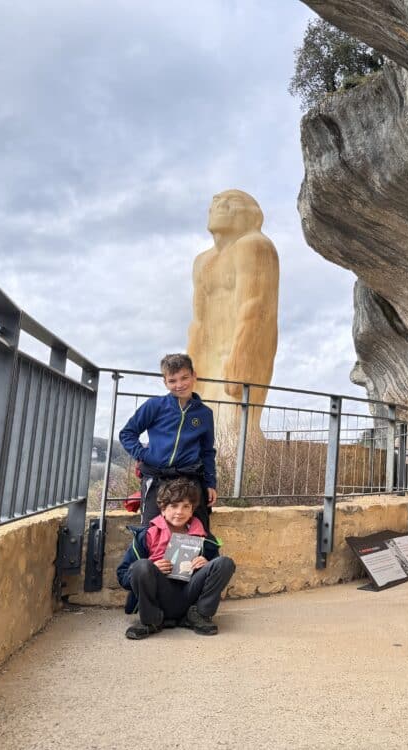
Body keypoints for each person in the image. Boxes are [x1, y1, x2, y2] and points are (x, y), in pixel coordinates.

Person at [186, 189, 279, 428]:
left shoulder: (254, 245)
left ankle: (239, 466)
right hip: (208, 361)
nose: (220, 204)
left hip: (240, 356)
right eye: (216, 200)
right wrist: (188, 369)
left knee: (233, 430)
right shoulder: (202, 261)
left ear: (254, 215)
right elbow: (198, 322)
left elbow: (255, 308)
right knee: (197, 426)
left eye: (232, 201)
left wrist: (240, 362)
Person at [116, 478, 235, 639]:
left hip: (190, 594)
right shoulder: (146, 536)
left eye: (186, 506)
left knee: (225, 563)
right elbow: (123, 575)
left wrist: (206, 564)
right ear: (163, 509)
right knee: (141, 565)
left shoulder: (205, 538)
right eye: (174, 506)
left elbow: (216, 571)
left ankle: (200, 615)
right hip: (159, 596)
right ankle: (150, 621)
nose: (180, 512)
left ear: (192, 510)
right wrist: (152, 567)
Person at [119, 353, 218, 532]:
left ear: (194, 375)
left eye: (184, 378)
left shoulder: (205, 414)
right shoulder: (154, 406)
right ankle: (151, 561)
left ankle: (197, 561)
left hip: (190, 478)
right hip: (157, 478)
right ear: (165, 382)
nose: (179, 385)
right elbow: (127, 433)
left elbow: (207, 451)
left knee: (198, 530)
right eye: (172, 381)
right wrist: (144, 454)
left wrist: (210, 483)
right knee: (150, 531)